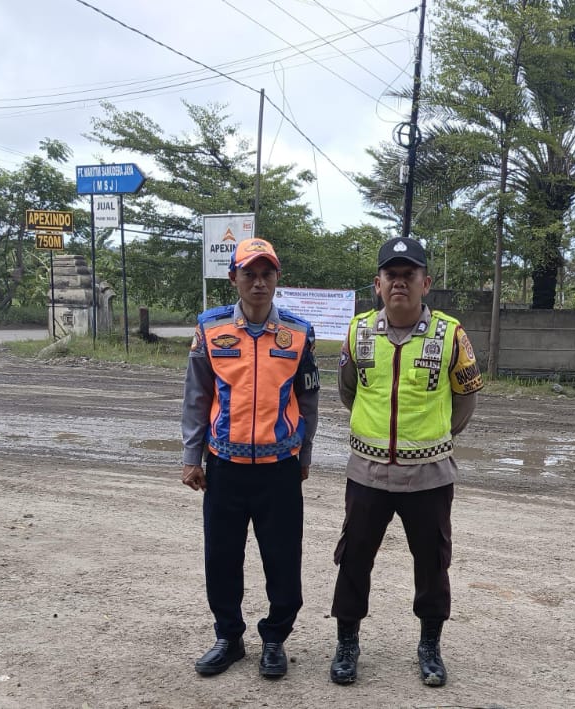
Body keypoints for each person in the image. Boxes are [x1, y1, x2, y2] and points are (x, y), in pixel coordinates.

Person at [328, 236, 483, 687]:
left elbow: (465, 399)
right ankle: (347, 643)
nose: (399, 282)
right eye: (391, 275)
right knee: (353, 559)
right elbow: (348, 391)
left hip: (429, 477)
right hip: (367, 474)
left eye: (408, 274)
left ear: (425, 283)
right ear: (377, 284)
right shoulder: (358, 332)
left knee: (432, 563)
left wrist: (434, 438)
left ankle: (430, 645)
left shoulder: (450, 335)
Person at [180, 237, 320, 679]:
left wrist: (304, 456)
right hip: (224, 469)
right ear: (233, 278)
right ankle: (229, 637)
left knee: (283, 560)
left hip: (280, 470)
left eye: (266, 274)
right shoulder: (210, 328)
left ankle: (275, 639)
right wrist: (192, 456)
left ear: (278, 278)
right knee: (221, 559)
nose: (259, 283)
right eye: (249, 274)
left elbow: (309, 401)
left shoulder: (299, 333)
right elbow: (197, 396)